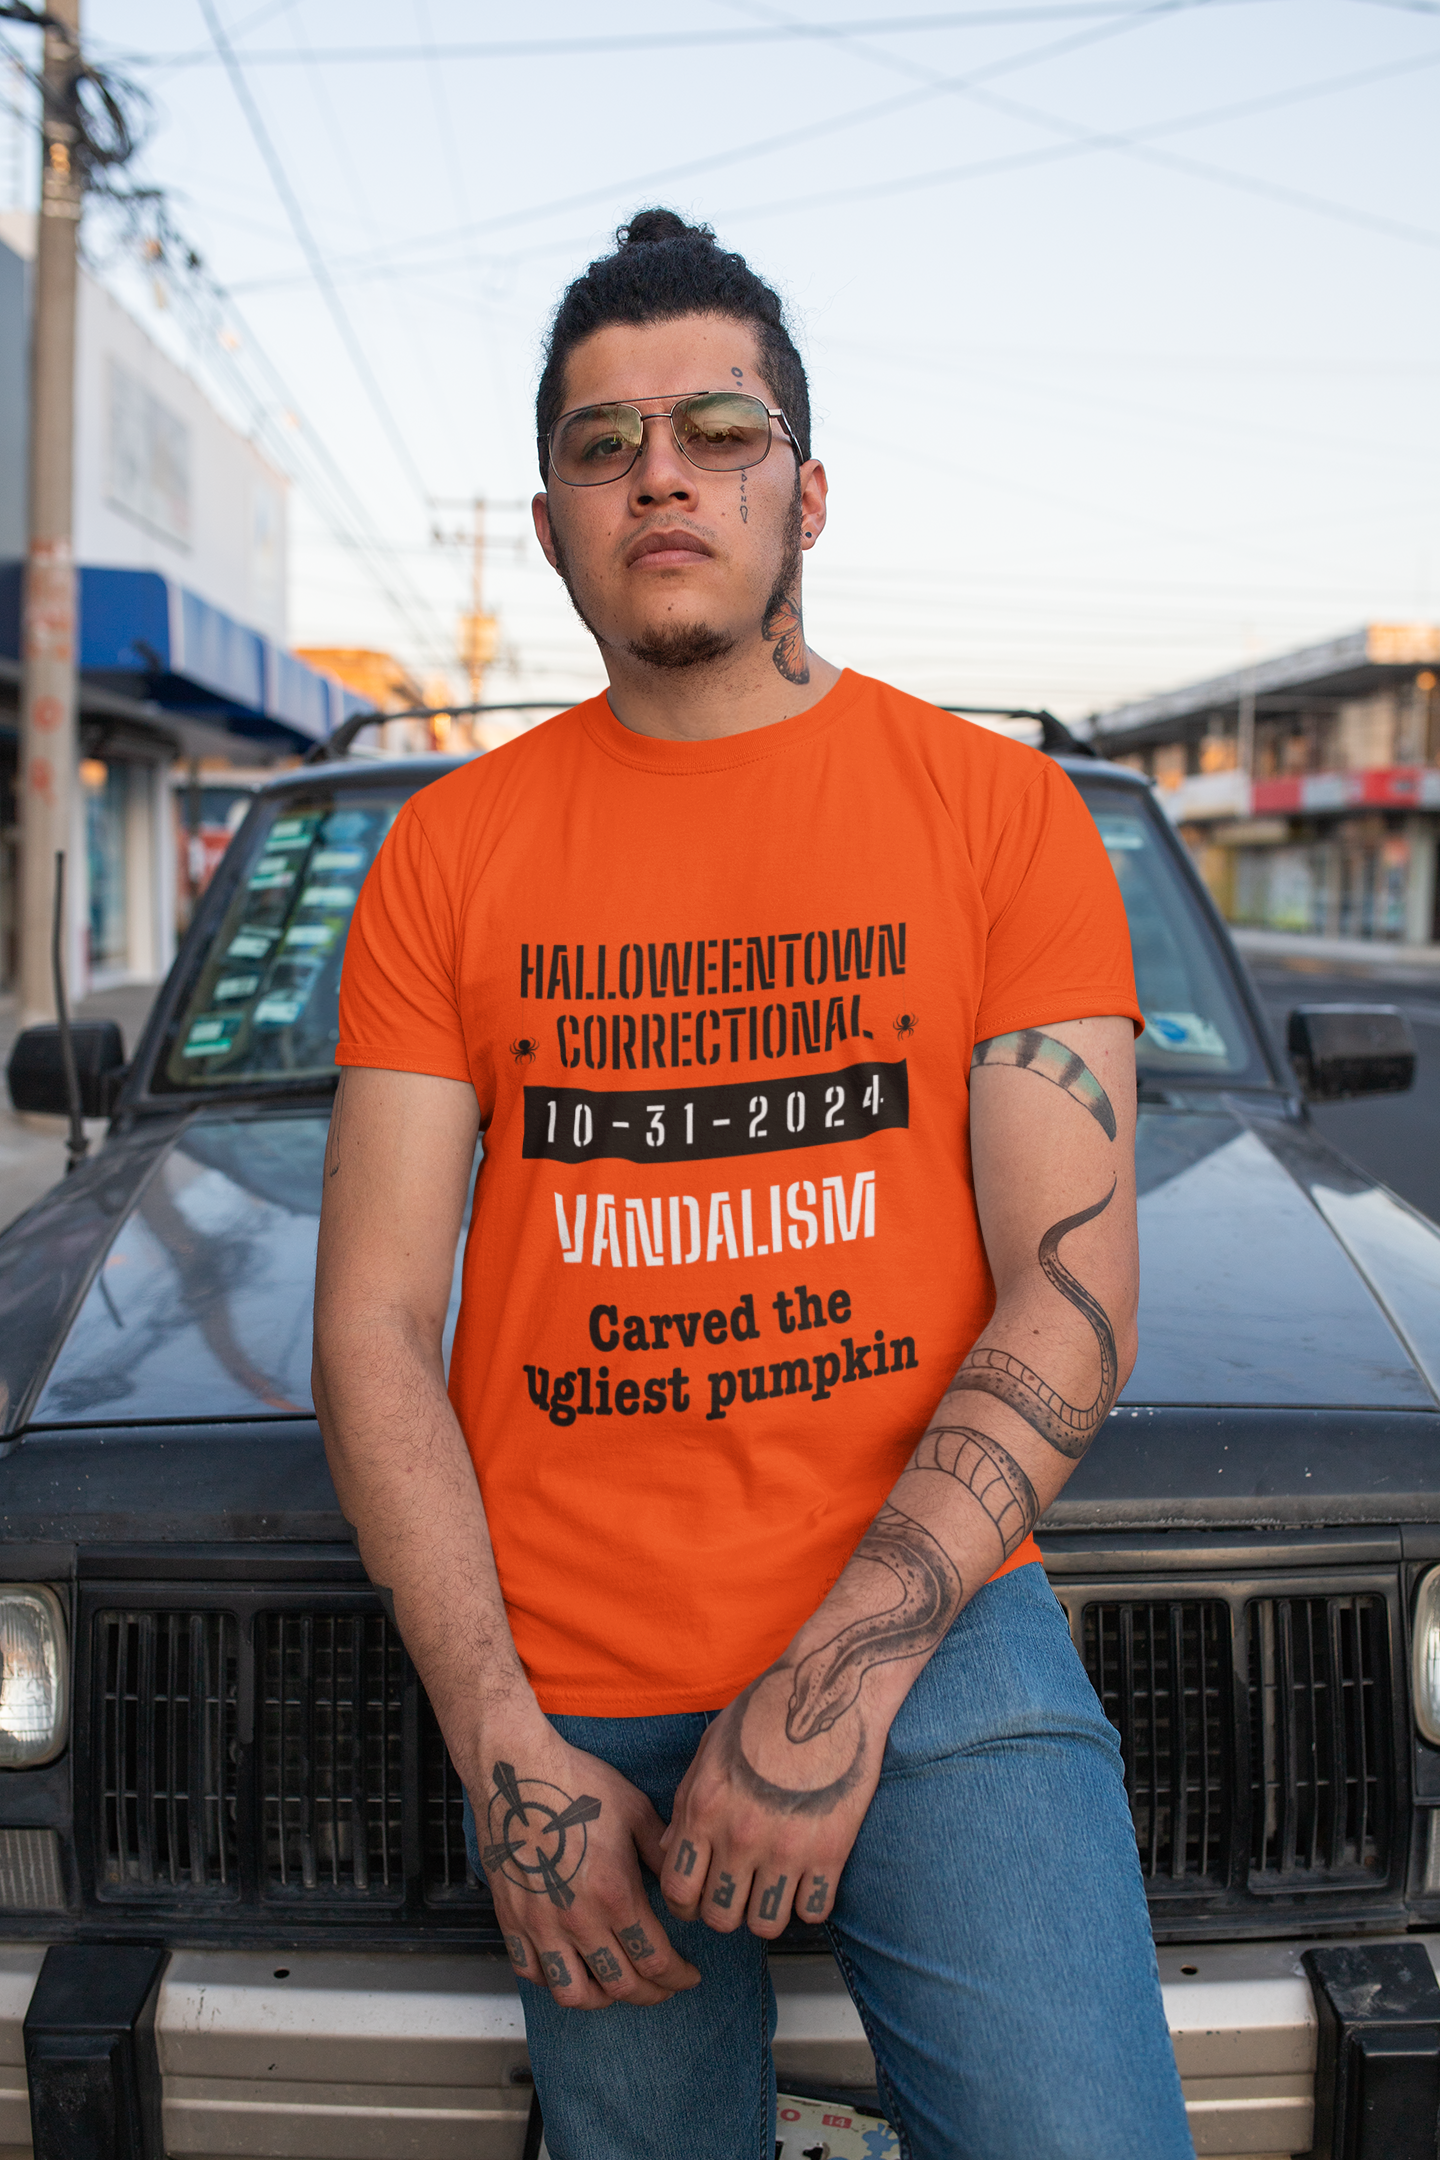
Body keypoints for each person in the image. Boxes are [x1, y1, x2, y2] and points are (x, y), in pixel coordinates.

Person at [313, 208, 1194, 2160]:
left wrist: (831, 1684)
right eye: (603, 445)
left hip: (936, 1634)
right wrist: (503, 1747)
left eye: (716, 428)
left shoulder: (995, 816)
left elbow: (1075, 1290)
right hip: (567, 1685)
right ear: (548, 523)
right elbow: (373, 1321)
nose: (663, 475)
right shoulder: (447, 859)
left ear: (807, 487)